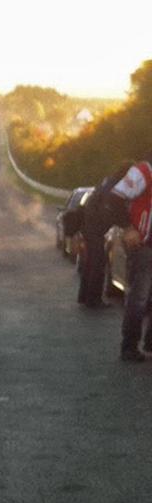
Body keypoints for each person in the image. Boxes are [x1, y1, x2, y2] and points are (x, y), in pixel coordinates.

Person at [111, 154, 152, 362]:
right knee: (139, 297)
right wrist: (128, 228)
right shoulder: (144, 171)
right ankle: (129, 347)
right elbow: (115, 198)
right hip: (143, 245)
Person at [77, 162, 133, 307]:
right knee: (98, 264)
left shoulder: (108, 181)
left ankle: (84, 297)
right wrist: (126, 224)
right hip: (95, 227)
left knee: (90, 263)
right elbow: (112, 208)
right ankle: (93, 300)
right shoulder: (116, 187)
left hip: (89, 225)